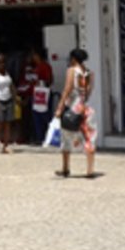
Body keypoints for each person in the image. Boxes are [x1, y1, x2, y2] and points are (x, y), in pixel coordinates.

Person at [54, 48, 97, 179]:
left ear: (73, 58)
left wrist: (60, 107)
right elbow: (88, 92)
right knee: (88, 138)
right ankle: (90, 170)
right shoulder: (89, 73)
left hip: (72, 108)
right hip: (85, 108)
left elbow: (67, 89)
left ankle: (65, 168)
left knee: (66, 138)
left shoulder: (72, 71)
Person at [17, 49, 53, 144]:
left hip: (42, 95)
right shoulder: (36, 67)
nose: (33, 57)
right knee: (36, 117)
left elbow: (49, 81)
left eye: (34, 55)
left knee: (43, 116)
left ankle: (45, 137)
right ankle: (39, 137)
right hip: (36, 94)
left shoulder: (44, 66)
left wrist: (38, 83)